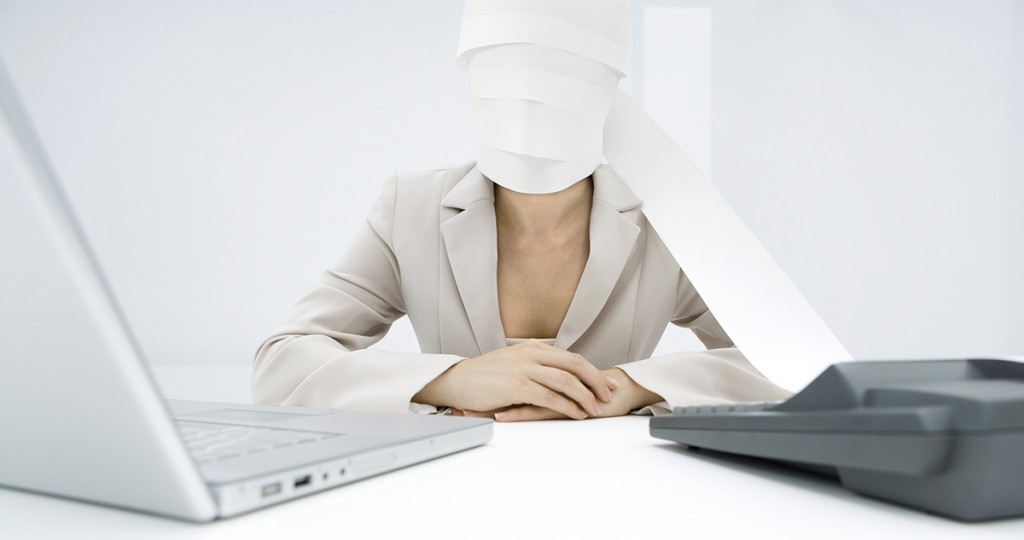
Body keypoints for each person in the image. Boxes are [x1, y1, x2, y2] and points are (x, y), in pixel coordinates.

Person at [252, 0, 792, 421]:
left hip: (621, 492)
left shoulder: (666, 222)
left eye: (561, 73)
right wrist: (451, 379)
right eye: (510, 71)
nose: (533, 98)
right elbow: (280, 364)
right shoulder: (409, 210)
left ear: (607, 89)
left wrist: (630, 387)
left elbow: (795, 368)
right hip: (449, 489)